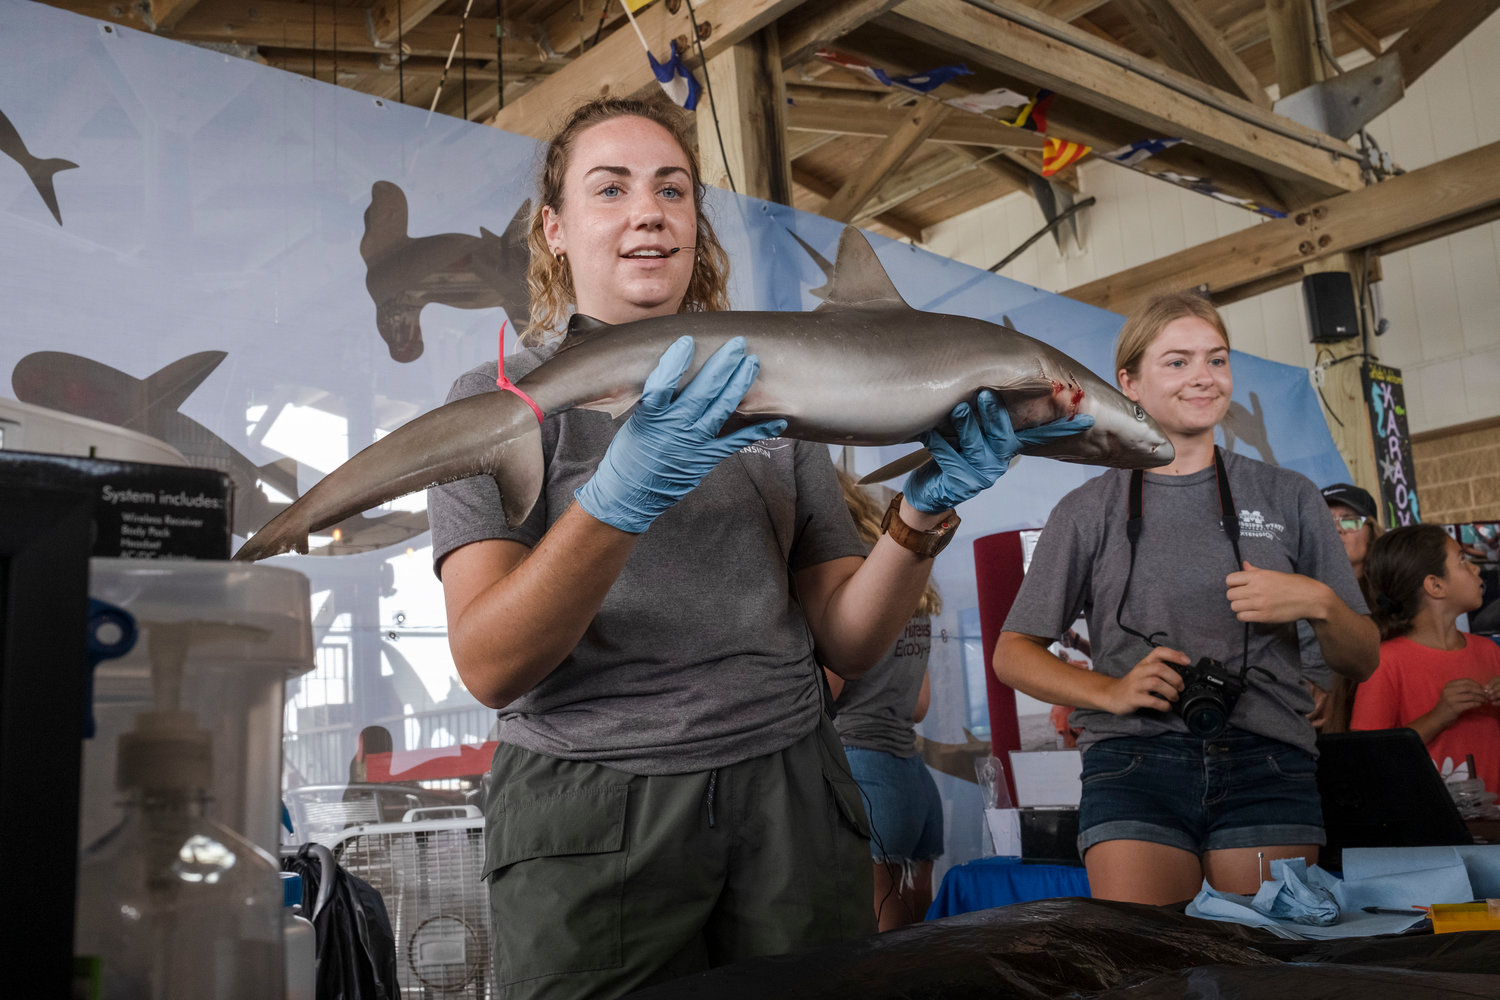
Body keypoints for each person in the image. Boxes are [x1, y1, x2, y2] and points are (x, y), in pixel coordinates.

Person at [426, 97, 1092, 998]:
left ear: (695, 223)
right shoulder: (501, 401)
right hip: (594, 803)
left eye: (672, 188)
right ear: (555, 228)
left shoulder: (779, 394)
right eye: (610, 188)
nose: (647, 210)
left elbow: (849, 643)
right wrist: (619, 499)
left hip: (792, 789)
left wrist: (921, 516)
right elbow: (490, 664)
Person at [992, 290, 1378, 906]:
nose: (1203, 377)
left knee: (1266, 966)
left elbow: (1361, 660)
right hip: (1131, 763)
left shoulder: (1290, 495)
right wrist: (1109, 690)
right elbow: (1013, 653)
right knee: (1147, 967)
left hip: (1268, 761)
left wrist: (1319, 602)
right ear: (1131, 383)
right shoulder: (1088, 510)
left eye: (1216, 360)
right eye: (1177, 362)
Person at [825, 470, 944, 932]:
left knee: (879, 940)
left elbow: (827, 691)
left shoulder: (847, 584)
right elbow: (919, 706)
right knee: (915, 928)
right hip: (913, 778)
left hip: (862, 771)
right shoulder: (906, 586)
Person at [1351, 524, 1500, 792]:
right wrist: (1440, 715)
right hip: (1430, 827)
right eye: (1463, 562)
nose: (1476, 568)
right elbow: (1366, 757)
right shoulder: (1386, 661)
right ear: (1435, 585)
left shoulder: (1489, 651)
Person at [1306, 483, 1384, 733]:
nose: (1337, 529)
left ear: (1372, 531)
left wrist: (1337, 695)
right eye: (1326, 522)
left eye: (1350, 521)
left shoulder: (1392, 595)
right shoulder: (1296, 589)